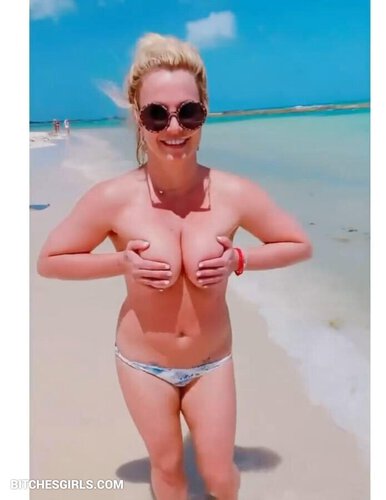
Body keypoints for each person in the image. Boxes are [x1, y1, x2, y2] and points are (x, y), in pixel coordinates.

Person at [37, 33, 312, 500]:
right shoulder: (113, 198)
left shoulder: (234, 193)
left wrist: (239, 258)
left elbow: (297, 244)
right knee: (167, 471)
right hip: (143, 364)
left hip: (211, 363)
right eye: (156, 114)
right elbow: (50, 261)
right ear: (138, 118)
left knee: (220, 476)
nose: (174, 127)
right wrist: (121, 261)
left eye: (188, 112)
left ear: (204, 111)